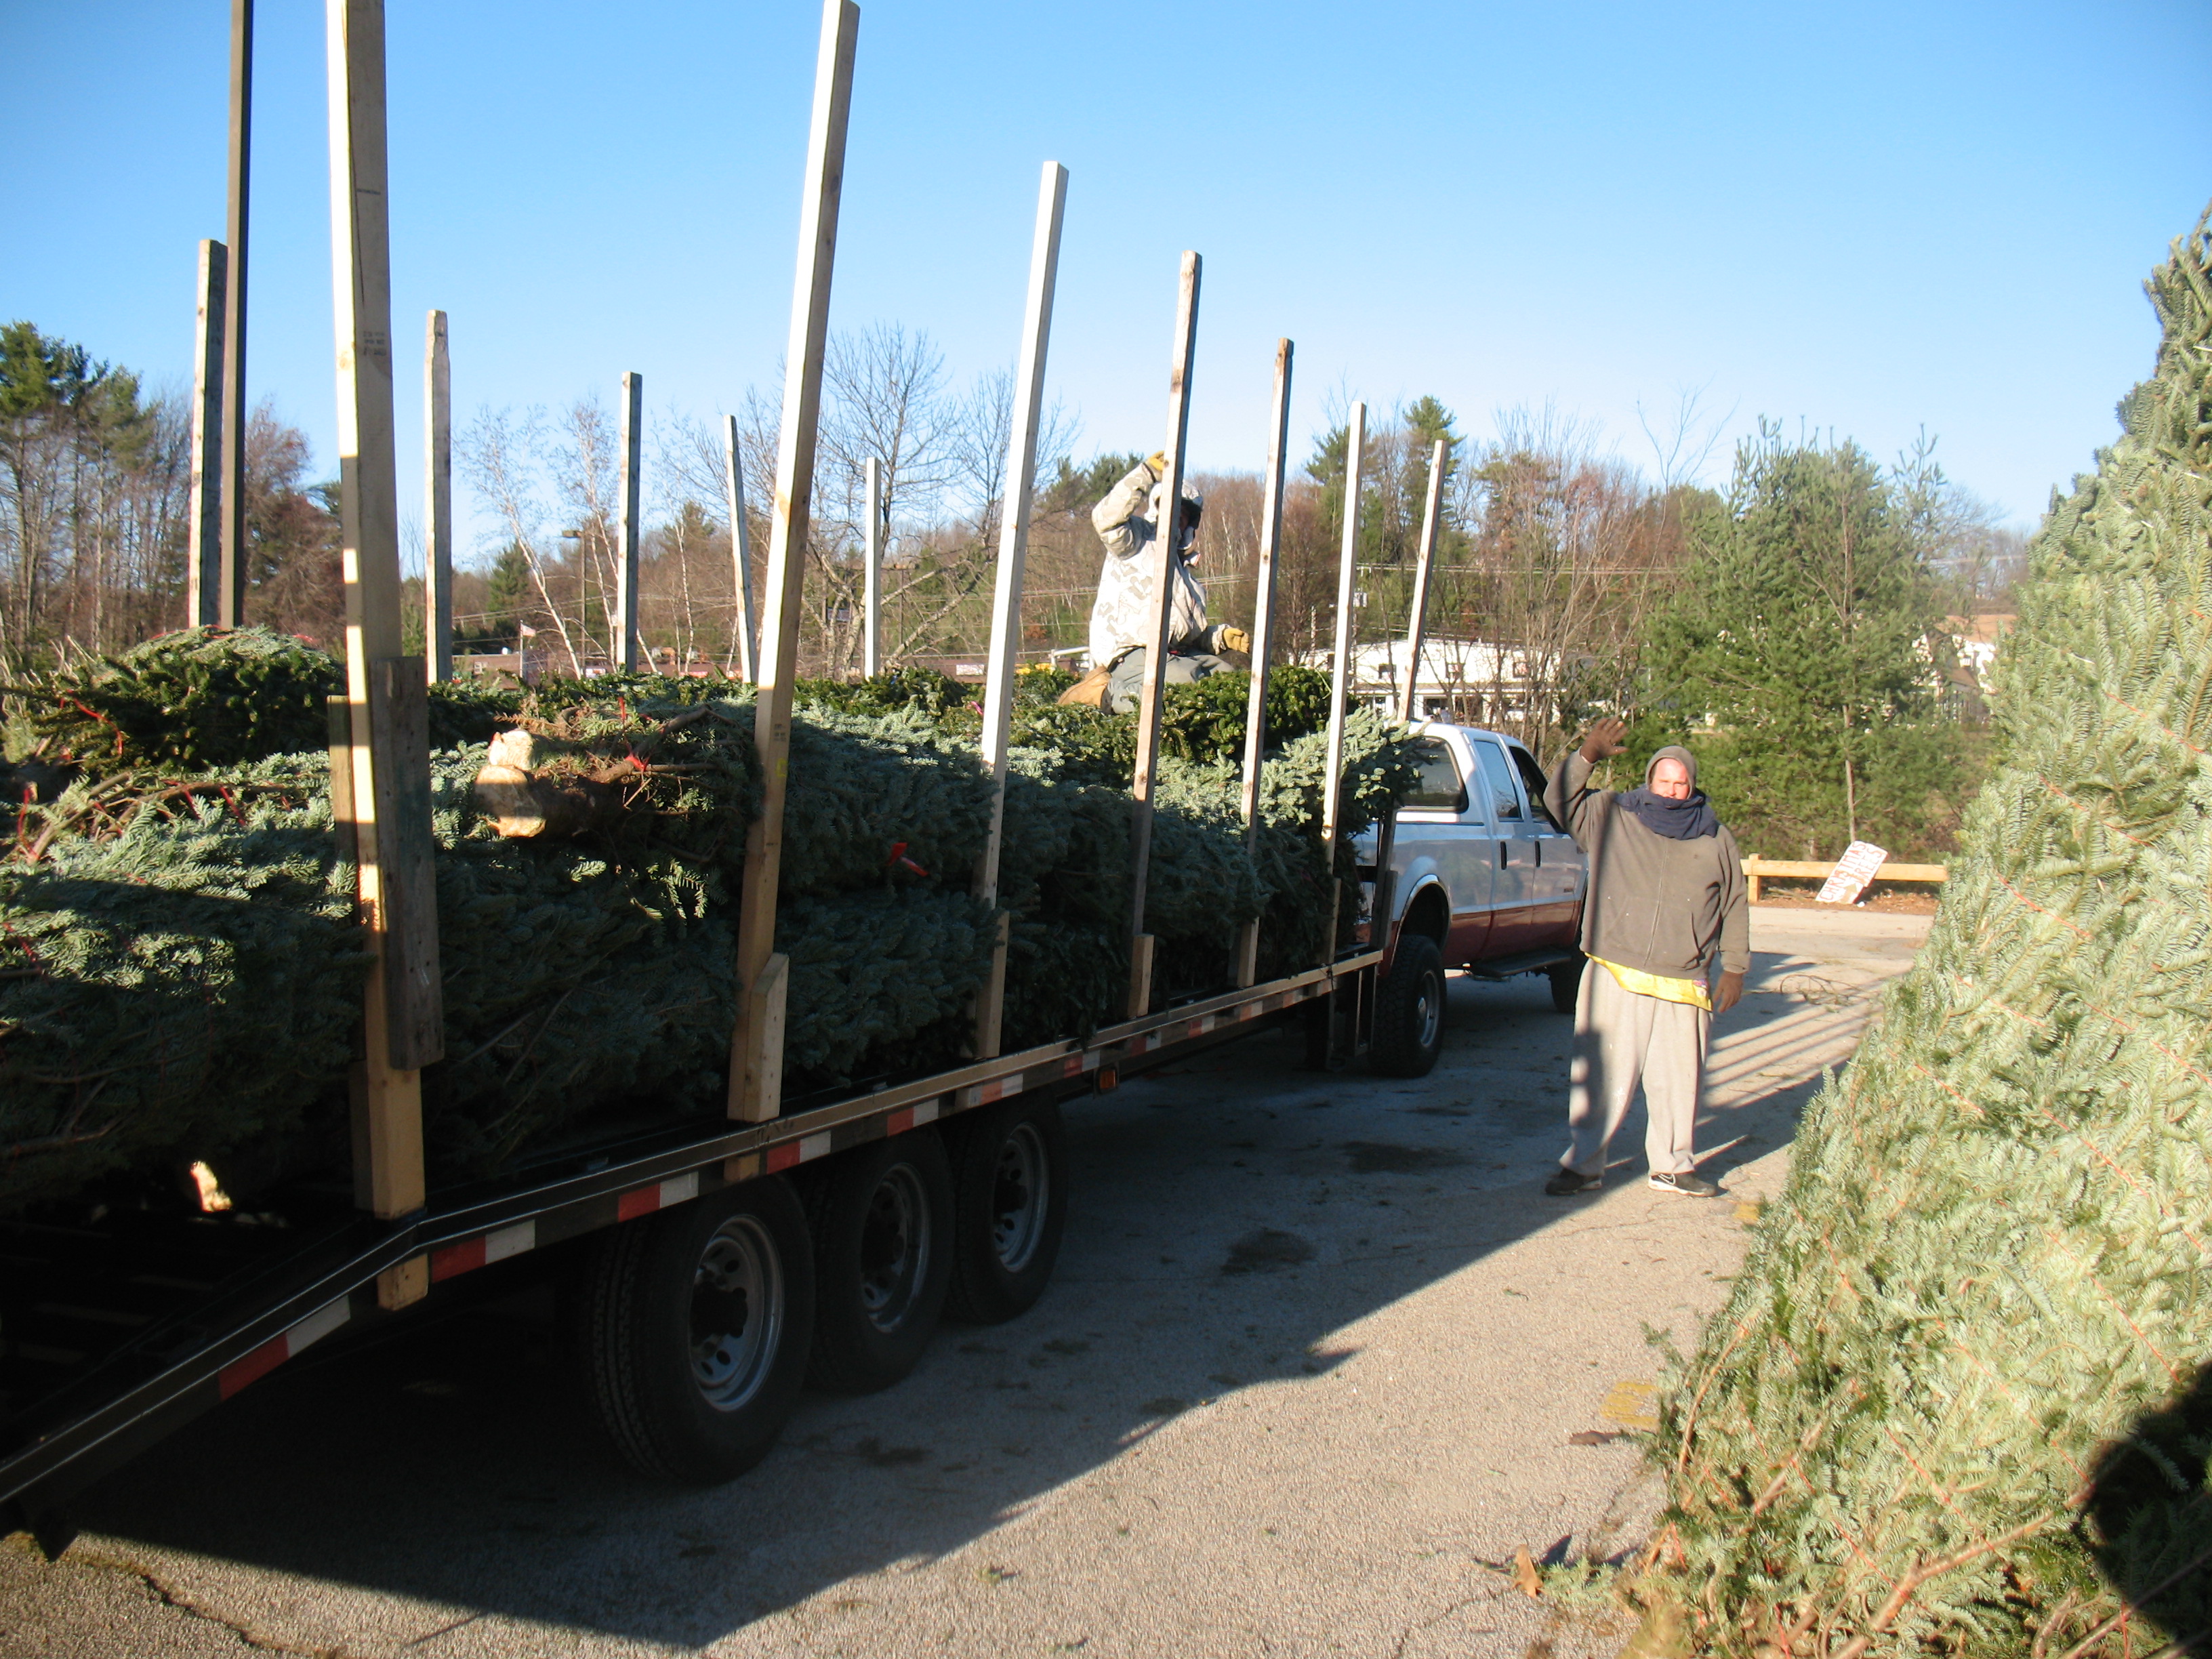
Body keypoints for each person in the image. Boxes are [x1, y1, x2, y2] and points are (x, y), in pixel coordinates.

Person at [1540, 718, 1748, 1198]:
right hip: (1615, 969)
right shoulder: (1612, 814)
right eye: (1664, 781)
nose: (1672, 791)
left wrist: (1736, 967)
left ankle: (1673, 1167)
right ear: (1650, 779)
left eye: (1681, 783)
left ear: (1692, 786)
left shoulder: (1715, 837)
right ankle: (1584, 1166)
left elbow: (1735, 902)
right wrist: (1586, 755)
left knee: (1679, 1080)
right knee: (1601, 1075)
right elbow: (1558, 803)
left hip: (1684, 978)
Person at [1085, 453, 1248, 713]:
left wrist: (1220, 637)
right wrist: (1146, 474)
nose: (1177, 517)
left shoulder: (1186, 576)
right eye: (1171, 509)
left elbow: (1186, 633)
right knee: (1184, 686)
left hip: (1178, 654)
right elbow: (1106, 519)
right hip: (1135, 654)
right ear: (1157, 509)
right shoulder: (1134, 540)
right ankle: (1109, 694)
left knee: (1232, 683)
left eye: (1184, 515)